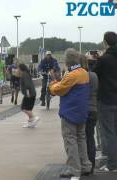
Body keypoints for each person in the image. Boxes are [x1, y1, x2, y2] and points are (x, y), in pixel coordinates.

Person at [49, 49, 92, 179]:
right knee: (81, 138)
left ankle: (74, 169)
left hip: (70, 113)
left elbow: (59, 90)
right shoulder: (84, 73)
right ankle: (85, 165)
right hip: (82, 112)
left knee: (70, 140)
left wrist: (52, 83)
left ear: (67, 61)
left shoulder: (72, 74)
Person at [93, 31, 117, 172]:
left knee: (108, 133)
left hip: (107, 100)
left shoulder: (104, 60)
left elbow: (94, 74)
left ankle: (112, 164)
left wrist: (94, 60)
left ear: (105, 43)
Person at [80, 54, 98, 174]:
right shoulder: (94, 75)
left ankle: (84, 164)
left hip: (83, 109)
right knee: (90, 137)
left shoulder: (80, 76)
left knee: (82, 138)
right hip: (94, 109)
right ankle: (92, 163)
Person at [18, 64, 39, 128]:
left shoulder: (24, 74)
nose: (17, 70)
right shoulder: (26, 73)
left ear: (21, 68)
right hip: (31, 93)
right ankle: (31, 123)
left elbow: (27, 84)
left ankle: (34, 117)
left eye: (18, 68)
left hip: (29, 94)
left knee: (23, 108)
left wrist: (27, 93)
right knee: (28, 108)